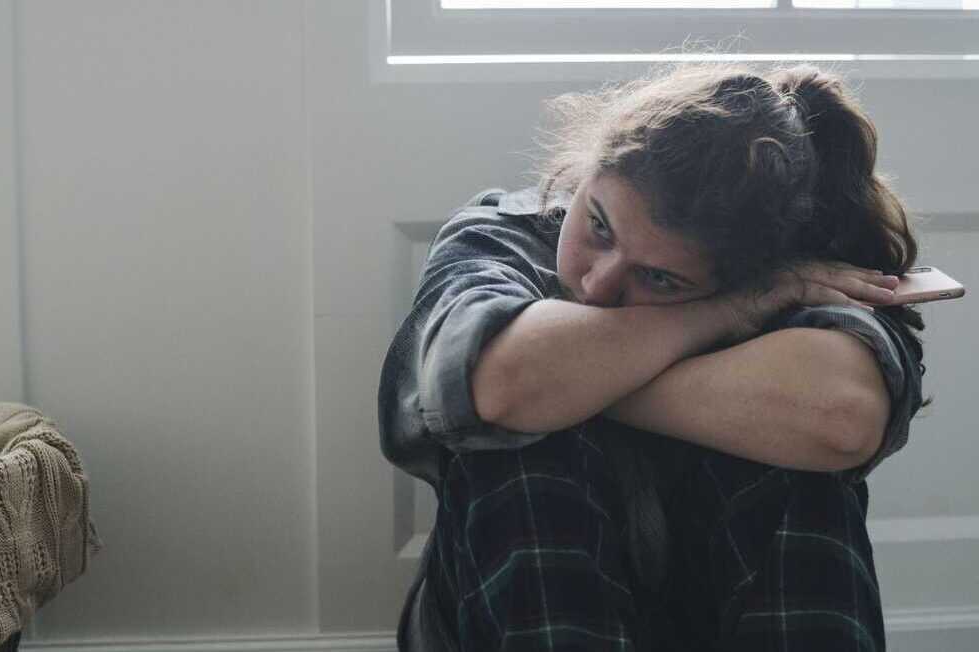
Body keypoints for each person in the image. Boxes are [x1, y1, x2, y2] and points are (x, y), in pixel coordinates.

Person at [378, 62, 929, 651]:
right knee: (529, 441)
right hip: (518, 609)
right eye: (598, 225)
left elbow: (839, 418)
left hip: (715, 613)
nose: (597, 284)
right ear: (587, 172)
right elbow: (501, 383)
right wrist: (721, 315)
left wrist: (571, 381)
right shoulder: (501, 233)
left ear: (748, 271)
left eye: (660, 278)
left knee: (795, 462)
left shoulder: (803, 273)